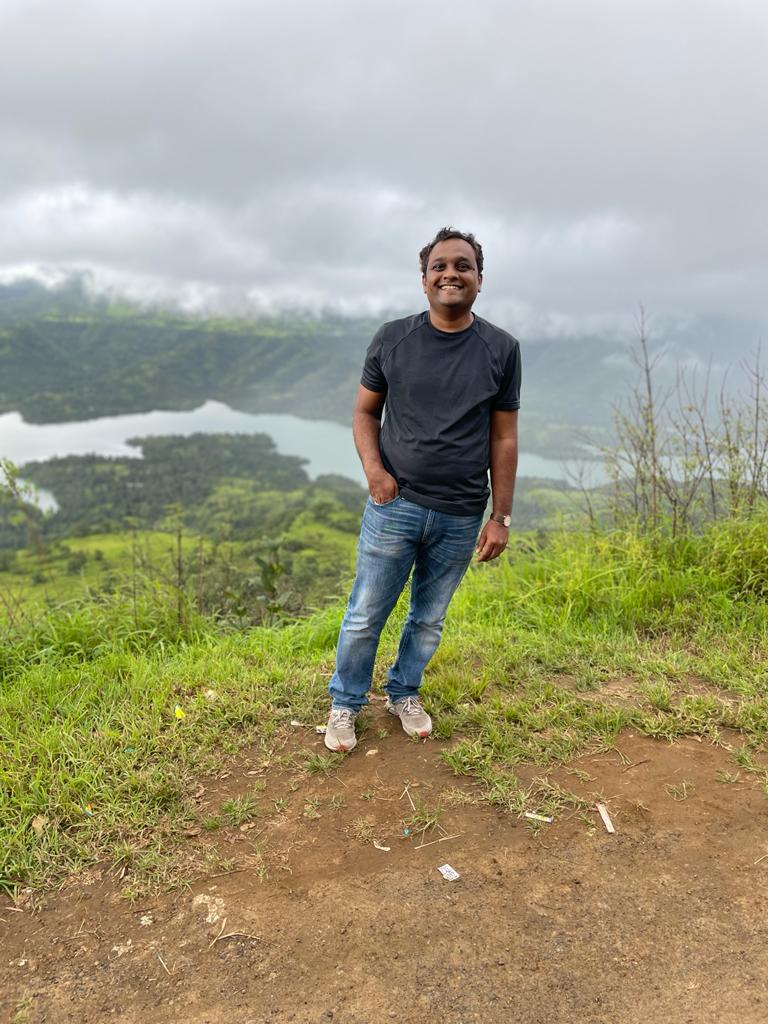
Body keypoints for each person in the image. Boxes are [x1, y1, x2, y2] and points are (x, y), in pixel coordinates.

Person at [325, 227, 521, 752]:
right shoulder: (393, 338)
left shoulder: (502, 349)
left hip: (461, 512)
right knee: (366, 613)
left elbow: (504, 436)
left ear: (480, 279)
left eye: (463, 265)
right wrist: (375, 471)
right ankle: (345, 703)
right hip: (396, 504)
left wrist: (500, 516)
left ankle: (403, 693)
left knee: (429, 618)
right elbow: (365, 412)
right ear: (424, 279)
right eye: (440, 266)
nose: (450, 274)